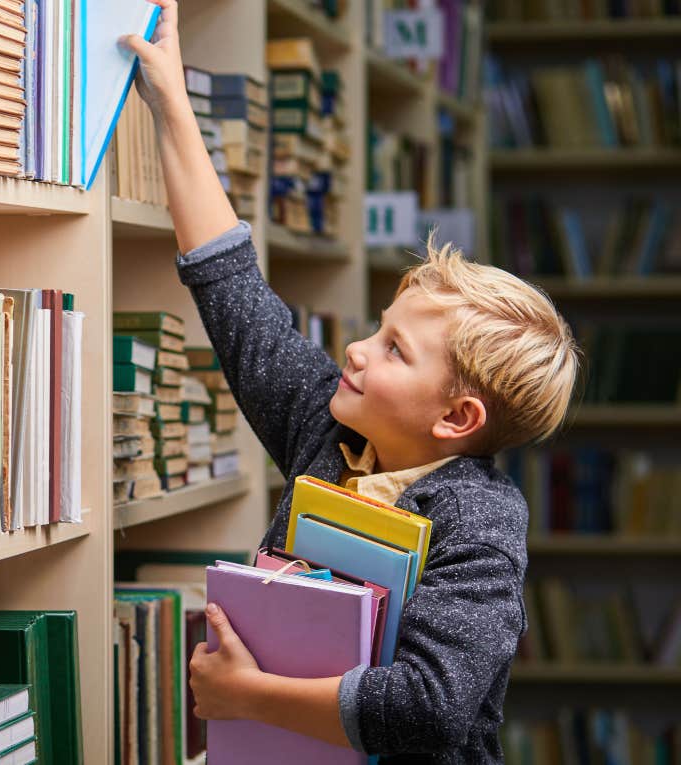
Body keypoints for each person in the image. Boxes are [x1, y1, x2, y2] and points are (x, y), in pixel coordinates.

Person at [121, 2, 581, 761]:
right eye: (376, 327)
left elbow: (429, 707)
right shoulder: (331, 428)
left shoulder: (482, 520)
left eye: (395, 350)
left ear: (457, 417)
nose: (358, 350)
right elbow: (234, 293)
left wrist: (246, 694)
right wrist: (169, 96)